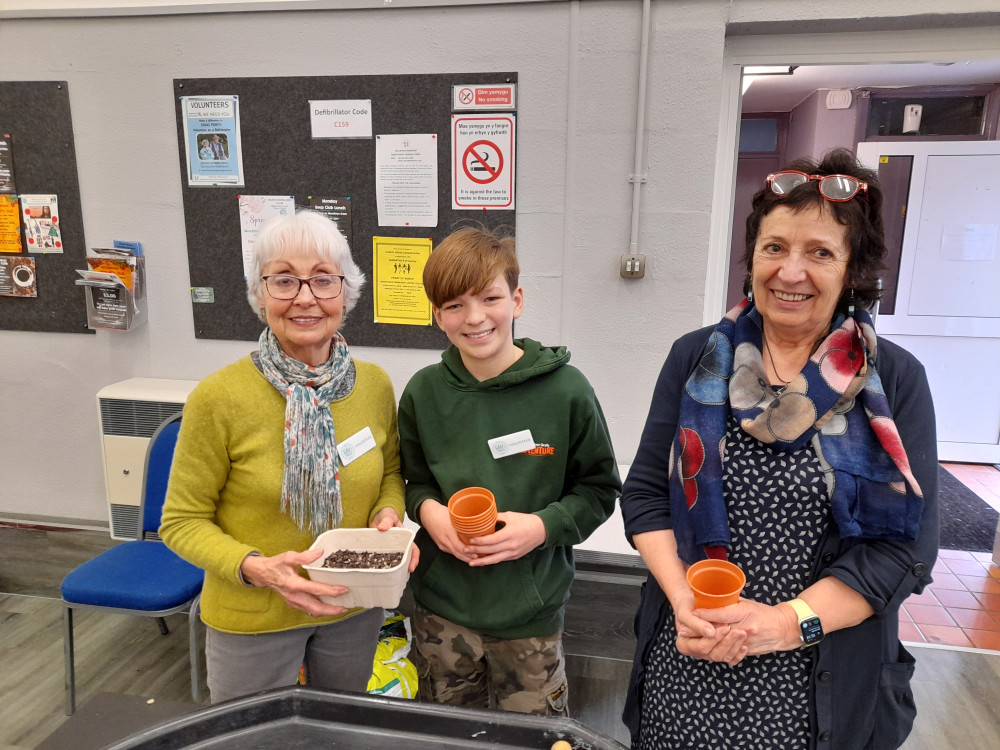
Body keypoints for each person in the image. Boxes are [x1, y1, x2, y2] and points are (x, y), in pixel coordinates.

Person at [620, 148, 939, 750]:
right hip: (688, 663)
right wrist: (686, 602)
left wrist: (782, 624)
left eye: (819, 252)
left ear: (853, 270)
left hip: (817, 684)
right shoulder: (697, 359)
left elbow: (907, 548)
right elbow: (644, 496)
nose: (791, 272)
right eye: (775, 247)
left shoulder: (892, 380)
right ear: (752, 258)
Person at [160, 209, 416, 704]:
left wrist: (388, 512)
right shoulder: (219, 397)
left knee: (338, 731)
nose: (305, 297)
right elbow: (181, 521)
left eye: (323, 280)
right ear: (260, 294)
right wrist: (259, 568)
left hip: (351, 607)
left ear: (346, 291)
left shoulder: (375, 385)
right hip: (252, 617)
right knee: (252, 739)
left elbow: (389, 470)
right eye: (284, 280)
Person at [398, 225, 621, 716]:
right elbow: (414, 481)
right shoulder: (423, 392)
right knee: (446, 732)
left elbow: (599, 489)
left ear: (516, 300)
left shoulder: (567, 392)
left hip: (530, 616)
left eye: (489, 298)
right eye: (455, 305)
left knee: (535, 736)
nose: (474, 318)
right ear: (438, 316)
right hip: (442, 611)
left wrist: (542, 527)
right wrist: (429, 512)